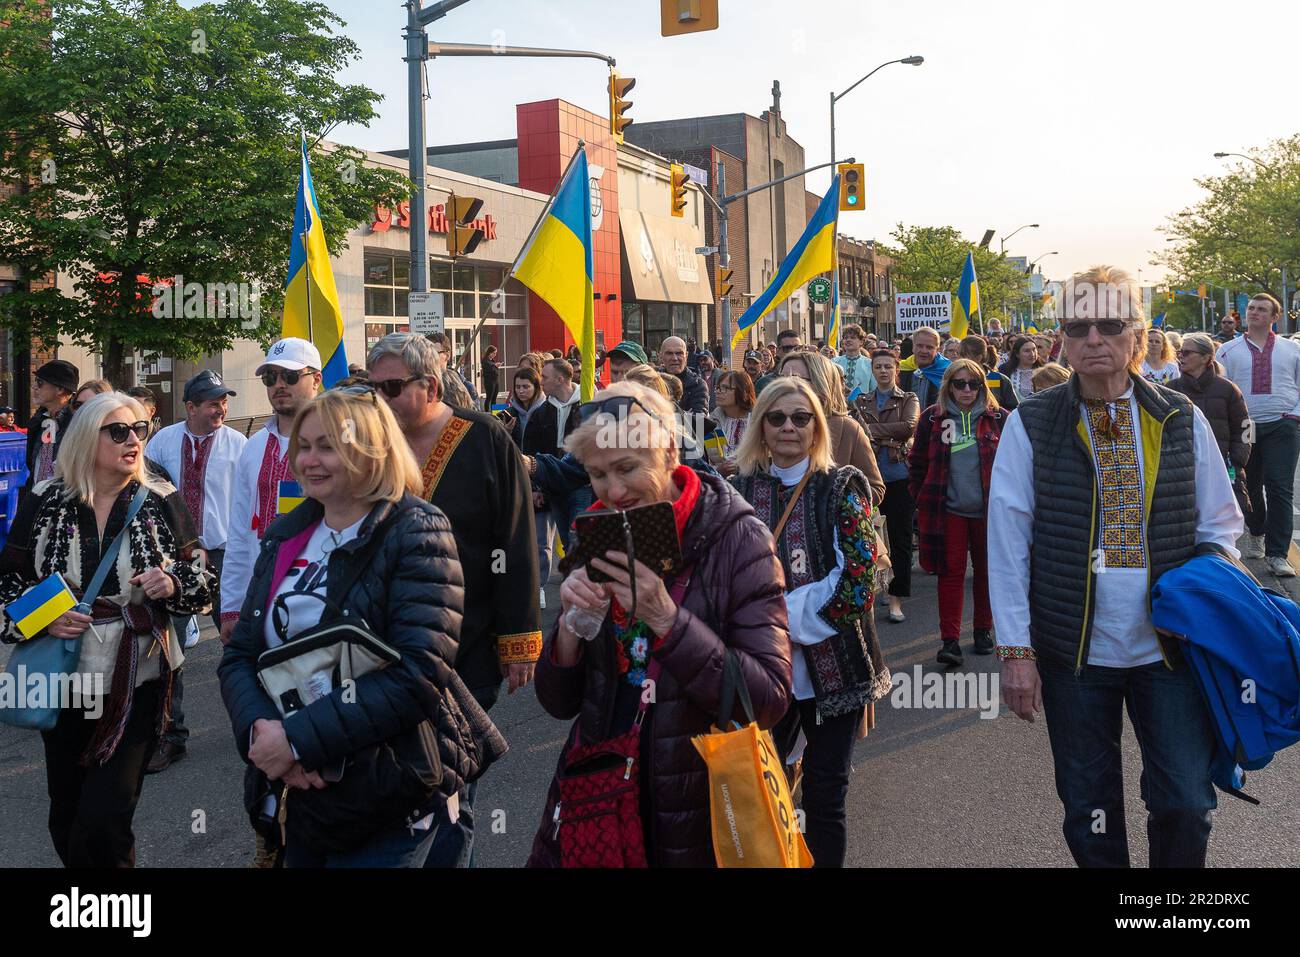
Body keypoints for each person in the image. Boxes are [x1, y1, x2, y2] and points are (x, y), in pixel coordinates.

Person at [988, 266, 1243, 868]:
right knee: (1089, 808)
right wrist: (1016, 654)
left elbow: (1221, 524)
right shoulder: (1033, 422)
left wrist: (1202, 585)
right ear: (1062, 339)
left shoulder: (1181, 417)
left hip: (1171, 652)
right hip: (1076, 657)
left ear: (1139, 335)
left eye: (1110, 324)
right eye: (1078, 326)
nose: (1093, 338)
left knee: (1184, 801)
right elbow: (1007, 543)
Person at [528, 380, 792, 867]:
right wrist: (569, 632)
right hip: (599, 795)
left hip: (700, 799)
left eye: (628, 468)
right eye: (598, 475)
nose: (615, 490)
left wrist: (668, 620)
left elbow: (769, 697)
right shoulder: (595, 530)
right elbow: (558, 702)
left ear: (670, 451)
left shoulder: (739, 538)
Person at [217, 388, 481, 868]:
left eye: (328, 447)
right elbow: (240, 656)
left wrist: (299, 741)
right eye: (304, 445)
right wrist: (263, 734)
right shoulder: (285, 534)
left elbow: (418, 672)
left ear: (370, 450)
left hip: (383, 787)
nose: (309, 460)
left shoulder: (416, 529)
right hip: (297, 795)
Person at [0, 392, 213, 866]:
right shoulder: (45, 500)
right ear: (85, 438)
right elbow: (8, 583)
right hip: (64, 679)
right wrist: (44, 619)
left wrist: (172, 581)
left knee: (108, 816)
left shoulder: (159, 498)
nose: (133, 440)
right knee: (67, 812)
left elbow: (202, 583)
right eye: (118, 431)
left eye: (141, 429)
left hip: (137, 677)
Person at [367, 332, 539, 867]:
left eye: (392, 388)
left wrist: (518, 640)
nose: (381, 401)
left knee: (450, 773)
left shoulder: (486, 438)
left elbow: (515, 540)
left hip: (470, 642)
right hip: (386, 643)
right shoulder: (369, 442)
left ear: (432, 385)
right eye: (372, 389)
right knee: (399, 772)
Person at [731, 377, 889, 867]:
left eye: (801, 418)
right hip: (760, 671)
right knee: (760, 791)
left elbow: (861, 578)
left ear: (818, 426)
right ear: (761, 426)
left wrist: (780, 617)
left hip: (834, 667)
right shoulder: (737, 490)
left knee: (824, 795)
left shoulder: (841, 485)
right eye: (776, 418)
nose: (788, 427)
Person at [144, 369, 247, 772]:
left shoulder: (239, 444)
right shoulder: (164, 441)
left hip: (223, 555)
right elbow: (148, 496)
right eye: (212, 402)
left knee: (236, 641)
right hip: (176, 559)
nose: (221, 408)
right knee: (169, 647)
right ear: (190, 407)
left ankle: (253, 722)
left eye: (224, 401)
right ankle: (171, 735)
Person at [219, 338, 323, 646]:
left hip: (319, 597)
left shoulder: (339, 441)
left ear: (316, 379)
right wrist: (231, 607)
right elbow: (239, 532)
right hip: (261, 596)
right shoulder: (253, 446)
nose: (279, 385)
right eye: (270, 377)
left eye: (290, 376)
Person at [909, 358, 1007, 666]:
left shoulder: (1000, 419)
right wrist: (922, 497)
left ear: (982, 386)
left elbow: (1014, 465)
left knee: (986, 573)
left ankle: (983, 631)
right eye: (959, 383)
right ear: (948, 385)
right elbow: (917, 463)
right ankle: (949, 640)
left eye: (973, 384)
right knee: (950, 574)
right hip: (946, 510)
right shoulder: (931, 419)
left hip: (989, 512)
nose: (966, 390)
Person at [1217, 292, 1300, 575]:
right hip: (1246, 427)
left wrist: (1293, 415)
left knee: (1280, 487)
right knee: (1249, 485)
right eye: (1251, 308)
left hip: (1282, 425)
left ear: (1274, 317)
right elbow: (1221, 390)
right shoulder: (1228, 351)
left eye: (1262, 309)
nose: (1254, 312)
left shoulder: (1292, 350)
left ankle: (1278, 554)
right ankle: (1256, 532)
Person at [857, 348, 919, 623]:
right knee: (871, 538)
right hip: (869, 479)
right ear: (872, 369)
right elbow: (857, 429)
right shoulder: (862, 400)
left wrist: (874, 433)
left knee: (900, 538)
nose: (883, 371)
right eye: (878, 366)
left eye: (888, 366)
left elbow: (907, 427)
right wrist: (887, 435)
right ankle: (877, 587)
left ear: (896, 370)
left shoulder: (909, 398)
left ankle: (896, 599)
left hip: (898, 476)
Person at [779, 350, 884, 505]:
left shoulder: (848, 429)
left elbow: (875, 489)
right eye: (781, 378)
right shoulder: (769, 424)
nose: (785, 385)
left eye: (796, 378)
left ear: (819, 382)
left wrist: (834, 497)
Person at [1170, 333, 1251, 499]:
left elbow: (1247, 428)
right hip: (1182, 471)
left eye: (1186, 353)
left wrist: (1236, 460)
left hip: (1223, 468)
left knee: (1227, 521)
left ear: (1205, 357)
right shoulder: (1170, 389)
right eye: (1180, 352)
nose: (1180, 357)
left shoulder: (1228, 389)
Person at [24, 359, 78, 492]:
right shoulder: (40, 420)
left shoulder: (76, 423)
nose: (34, 387)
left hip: (63, 499)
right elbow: (35, 465)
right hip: (36, 496)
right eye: (35, 381)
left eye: (40, 382)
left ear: (60, 389)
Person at [712, 370, 755, 476]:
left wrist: (742, 468)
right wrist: (718, 471)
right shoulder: (710, 423)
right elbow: (708, 461)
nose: (718, 391)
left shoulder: (758, 422)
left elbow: (764, 460)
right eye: (718, 388)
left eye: (725, 388)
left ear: (743, 392)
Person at [959, 334, 1018, 411]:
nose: (959, 360)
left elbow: (1013, 409)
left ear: (978, 358)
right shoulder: (954, 377)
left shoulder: (996, 378)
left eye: (963, 356)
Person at [897, 326, 950, 411]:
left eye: (929, 347)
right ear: (913, 347)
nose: (924, 351)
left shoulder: (948, 371)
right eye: (920, 346)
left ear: (938, 350)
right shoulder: (900, 369)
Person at [657, 336, 708, 415]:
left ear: (686, 356)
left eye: (679, 353)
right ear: (660, 356)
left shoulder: (697, 384)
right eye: (669, 353)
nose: (674, 358)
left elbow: (699, 424)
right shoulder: (653, 382)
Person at [833, 324, 876, 397]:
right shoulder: (834, 362)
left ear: (861, 342)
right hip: (838, 405)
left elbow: (874, 390)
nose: (848, 340)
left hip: (862, 406)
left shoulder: (870, 364)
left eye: (852, 338)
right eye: (846, 338)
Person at [755, 330, 800, 395]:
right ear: (778, 351)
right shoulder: (765, 383)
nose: (793, 352)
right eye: (787, 348)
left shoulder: (811, 379)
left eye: (798, 348)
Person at [999, 335, 1042, 402]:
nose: (1032, 354)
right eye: (1027, 351)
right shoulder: (1004, 370)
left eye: (1034, 349)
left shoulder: (1044, 370)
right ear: (1017, 354)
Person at [481, 345, 500, 413]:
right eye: (494, 353)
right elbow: (488, 368)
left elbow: (493, 369)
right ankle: (486, 412)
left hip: (495, 380)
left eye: (495, 353)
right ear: (490, 352)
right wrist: (494, 366)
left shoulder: (492, 360)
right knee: (489, 397)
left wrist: (496, 366)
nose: (495, 355)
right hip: (489, 381)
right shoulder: (485, 360)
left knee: (494, 397)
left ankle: (494, 412)